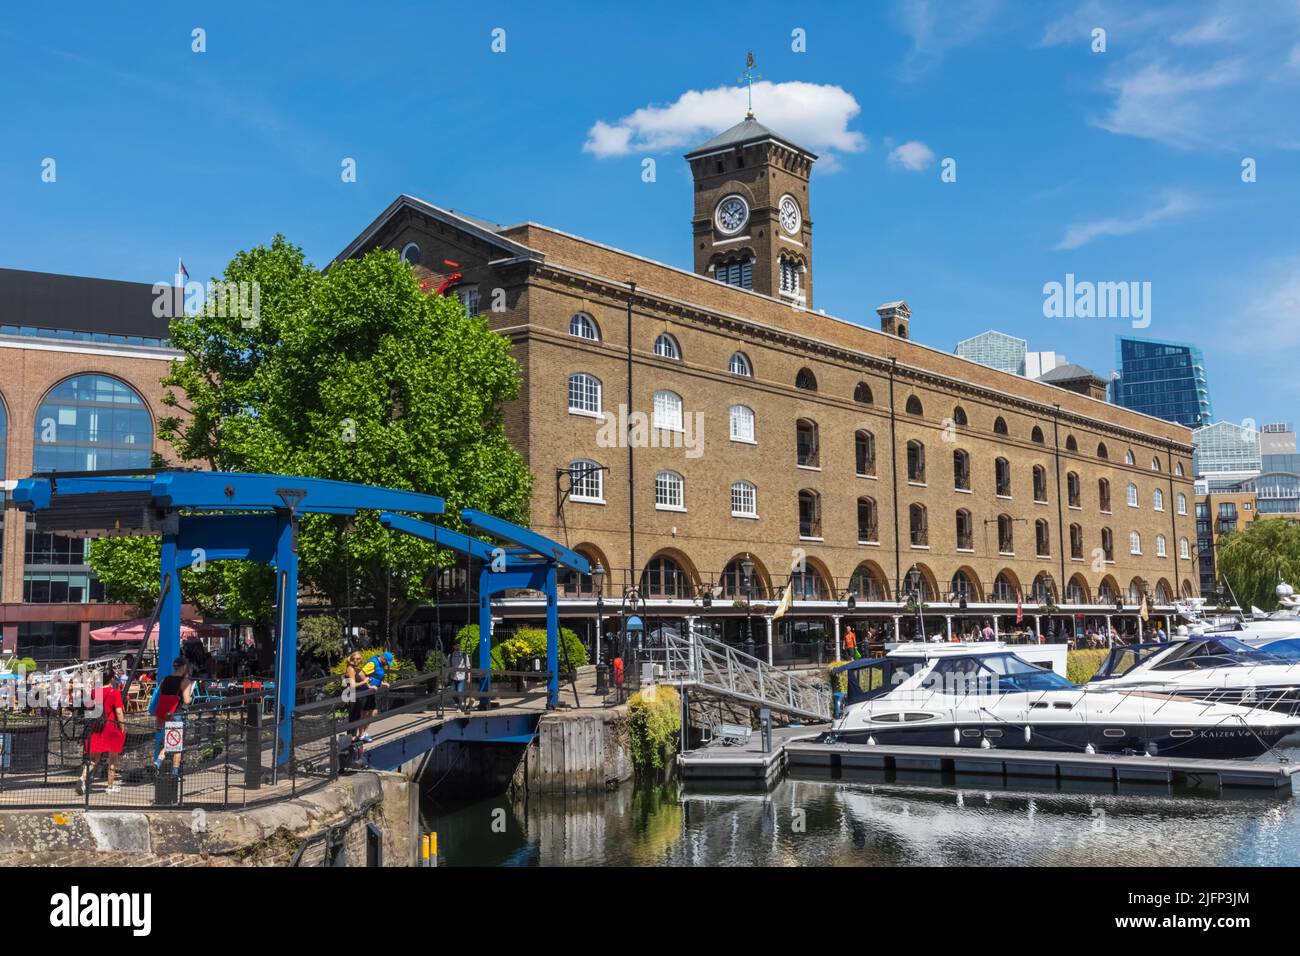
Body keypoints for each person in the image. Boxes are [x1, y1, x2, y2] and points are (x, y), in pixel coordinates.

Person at [79, 668, 126, 795]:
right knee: (112, 758)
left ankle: (82, 778)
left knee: (94, 758)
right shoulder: (114, 692)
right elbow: (118, 711)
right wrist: (122, 726)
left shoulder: (95, 692)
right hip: (111, 727)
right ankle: (110, 786)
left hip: (98, 727)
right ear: (111, 679)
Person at [152, 657, 194, 775]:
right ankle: (174, 772)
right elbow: (186, 701)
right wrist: (191, 696)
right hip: (176, 714)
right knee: (177, 745)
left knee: (170, 740)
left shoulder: (165, 680)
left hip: (164, 714)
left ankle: (158, 763)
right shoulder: (185, 682)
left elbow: (162, 696)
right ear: (184, 667)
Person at [342, 652, 371, 743]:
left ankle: (352, 738)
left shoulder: (353, 668)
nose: (360, 662)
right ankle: (351, 739)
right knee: (353, 717)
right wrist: (365, 681)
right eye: (359, 660)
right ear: (355, 659)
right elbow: (353, 685)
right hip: (352, 695)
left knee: (356, 716)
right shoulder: (350, 669)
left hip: (355, 695)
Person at [448, 646, 469, 714]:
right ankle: (459, 703)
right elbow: (448, 666)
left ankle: (459, 707)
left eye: (458, 645)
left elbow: (468, 666)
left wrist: (468, 677)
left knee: (459, 693)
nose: (457, 647)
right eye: (456, 645)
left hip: (461, 677)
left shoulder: (464, 655)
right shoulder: (450, 656)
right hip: (453, 677)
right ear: (453, 647)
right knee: (452, 692)